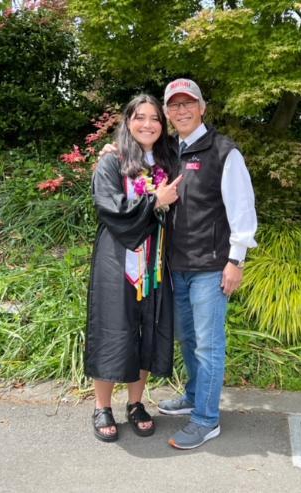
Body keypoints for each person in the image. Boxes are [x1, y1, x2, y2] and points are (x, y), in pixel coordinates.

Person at [156, 79, 258, 450]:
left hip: (212, 266)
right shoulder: (169, 150)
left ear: (202, 107)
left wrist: (236, 260)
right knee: (190, 340)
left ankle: (206, 419)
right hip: (176, 265)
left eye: (188, 103)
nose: (181, 110)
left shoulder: (223, 151)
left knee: (209, 346)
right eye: (174, 105)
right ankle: (194, 396)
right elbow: (133, 159)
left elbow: (242, 209)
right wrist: (107, 151)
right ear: (167, 112)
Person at [85, 94, 183, 443]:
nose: (147, 124)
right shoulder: (113, 161)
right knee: (113, 330)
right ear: (128, 121)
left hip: (155, 263)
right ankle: (102, 406)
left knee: (146, 328)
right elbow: (108, 206)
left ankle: (136, 403)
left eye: (154, 117)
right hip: (117, 261)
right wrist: (155, 201)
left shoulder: (169, 160)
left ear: (162, 123)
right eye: (139, 117)